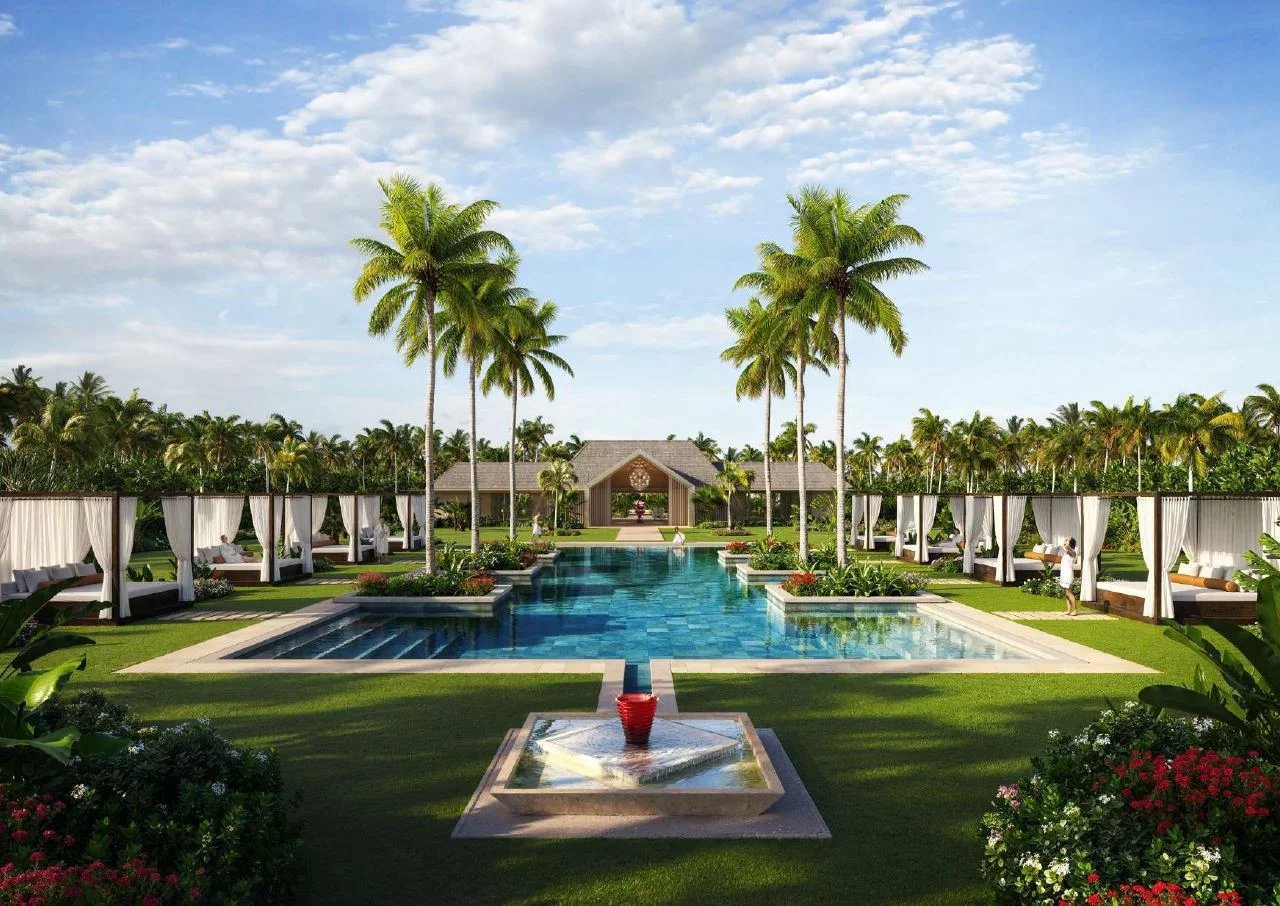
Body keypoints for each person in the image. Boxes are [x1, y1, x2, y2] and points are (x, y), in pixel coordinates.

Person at [1060, 536, 1079, 616]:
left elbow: (1067, 547)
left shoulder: (1073, 553)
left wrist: (1067, 540)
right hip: (1064, 574)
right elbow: (1064, 546)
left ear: (1070, 544)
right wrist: (1066, 540)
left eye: (1068, 540)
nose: (1065, 541)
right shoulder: (1066, 552)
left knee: (1069, 593)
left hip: (1068, 575)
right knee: (1067, 593)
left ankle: (1074, 610)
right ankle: (1069, 610)